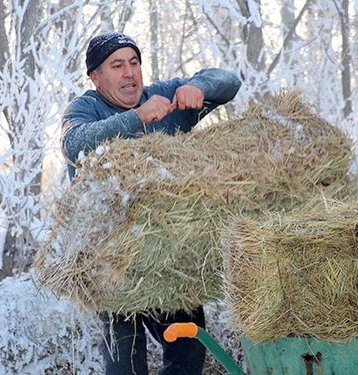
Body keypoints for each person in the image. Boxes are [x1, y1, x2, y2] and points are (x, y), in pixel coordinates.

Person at [61, 31, 241, 375]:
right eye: (117, 65)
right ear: (95, 77)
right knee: (125, 366)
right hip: (111, 265)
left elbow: (229, 81)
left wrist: (200, 87)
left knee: (189, 354)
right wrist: (138, 118)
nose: (130, 72)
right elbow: (75, 145)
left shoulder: (163, 96)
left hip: (168, 259)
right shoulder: (86, 109)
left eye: (134, 62)